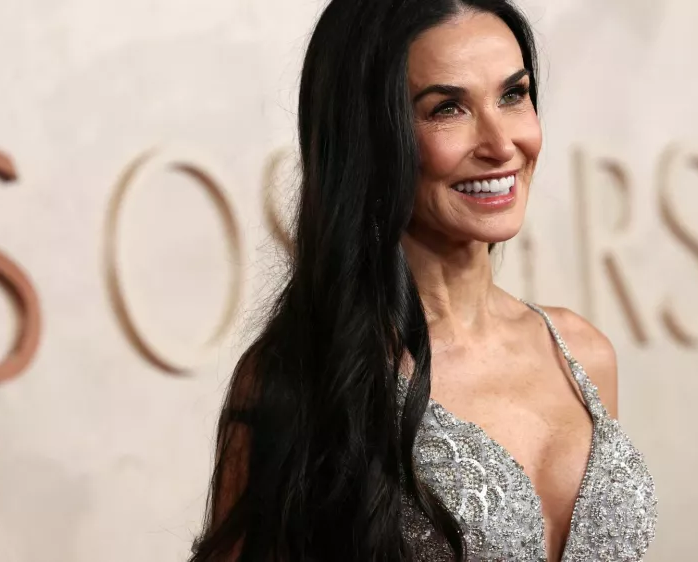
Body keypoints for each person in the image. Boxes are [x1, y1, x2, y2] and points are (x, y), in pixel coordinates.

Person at [190, 0, 656, 560]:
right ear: (370, 136)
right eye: (447, 109)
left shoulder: (582, 354)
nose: (501, 144)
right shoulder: (298, 378)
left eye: (513, 94)